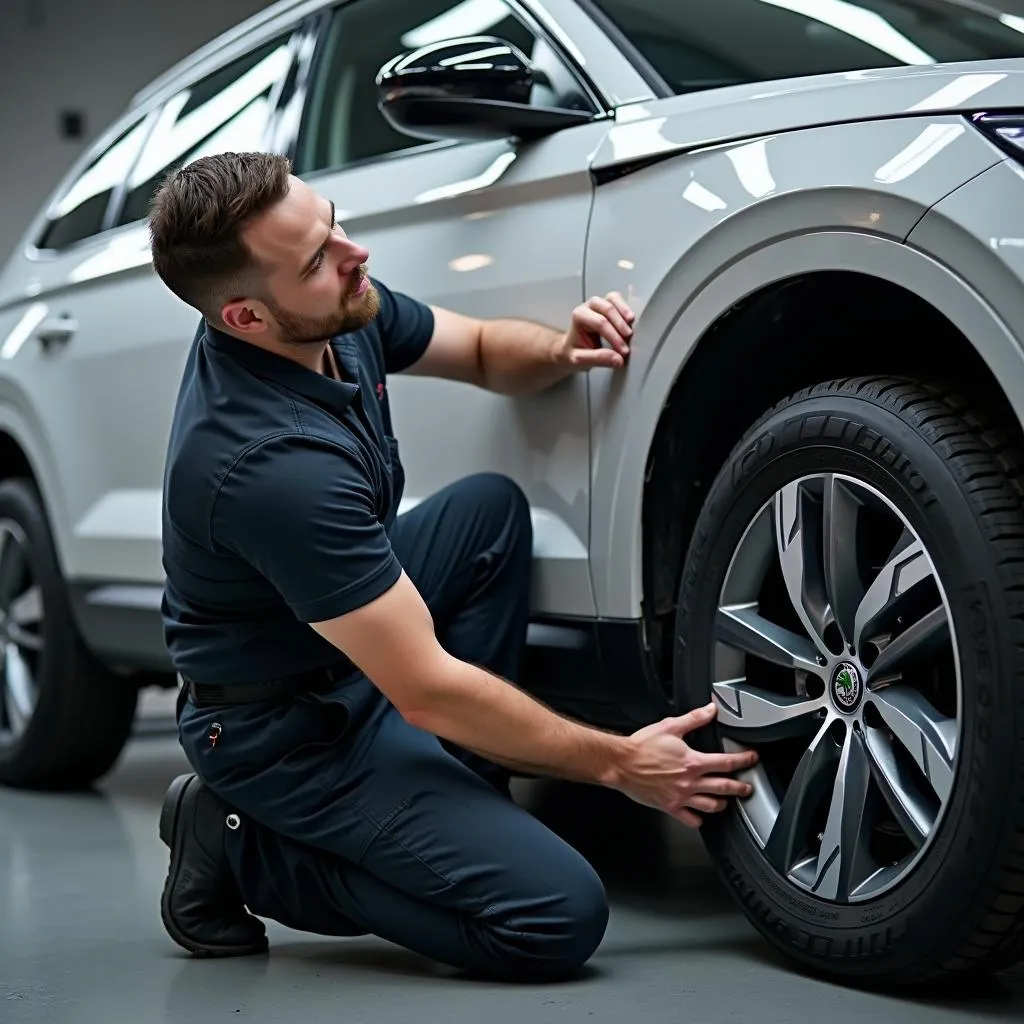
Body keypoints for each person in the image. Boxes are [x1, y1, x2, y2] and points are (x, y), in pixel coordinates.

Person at [149, 150, 757, 982]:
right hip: (287, 733)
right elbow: (426, 687)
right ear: (247, 316)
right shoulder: (268, 466)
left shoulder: (334, 313)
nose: (354, 254)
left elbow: (471, 349)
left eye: (334, 224)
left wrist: (559, 348)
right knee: (553, 918)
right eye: (319, 259)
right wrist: (621, 763)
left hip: (332, 649)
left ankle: (454, 796)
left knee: (486, 514)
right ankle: (238, 844)